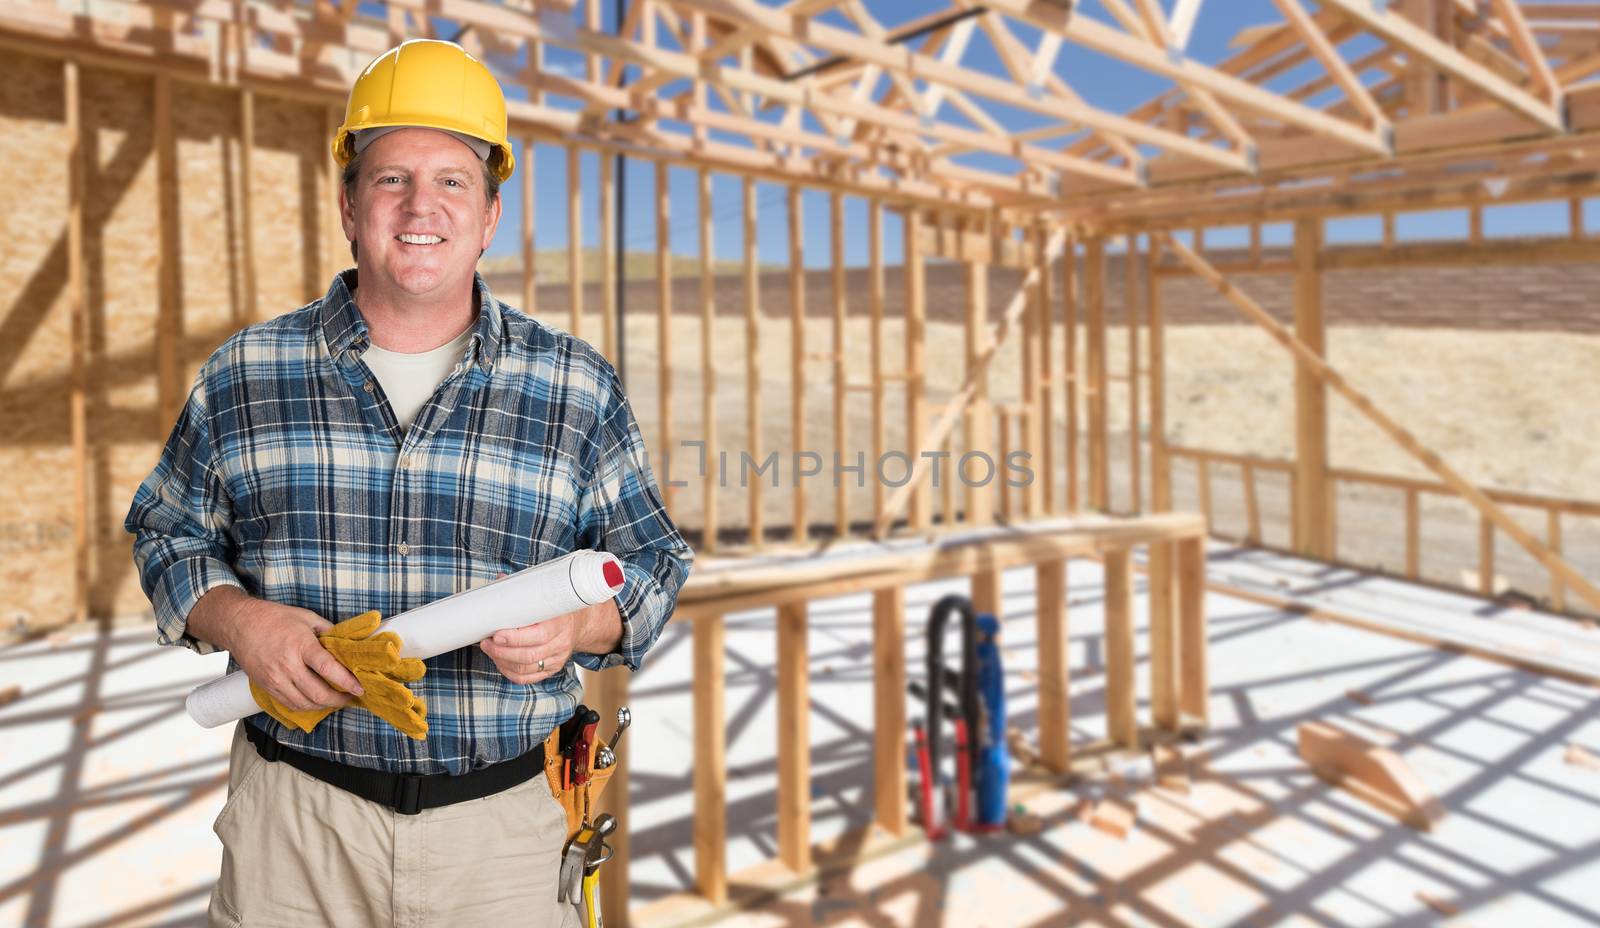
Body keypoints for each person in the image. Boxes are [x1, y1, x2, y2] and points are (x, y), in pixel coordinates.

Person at [124, 39, 692, 927]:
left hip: (503, 835)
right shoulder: (247, 372)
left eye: (452, 180)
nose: (420, 204)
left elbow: (654, 562)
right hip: (295, 829)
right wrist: (242, 620)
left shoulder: (575, 385)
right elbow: (167, 532)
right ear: (350, 207)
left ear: (490, 213)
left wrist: (580, 623)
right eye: (390, 179)